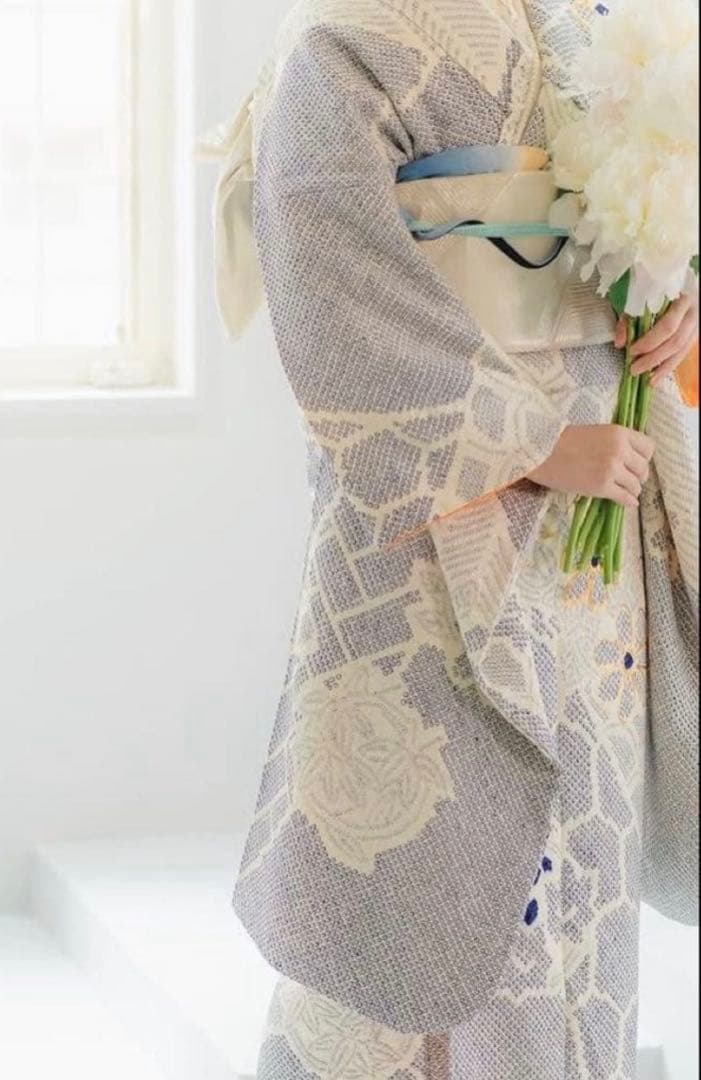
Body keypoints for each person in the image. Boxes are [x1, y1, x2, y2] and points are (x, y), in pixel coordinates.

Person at [207, 0, 699, 1076]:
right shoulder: (343, 37)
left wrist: (674, 296)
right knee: (431, 844)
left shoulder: (587, 20)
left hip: (595, 521)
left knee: (585, 852)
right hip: (441, 513)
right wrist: (532, 442)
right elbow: (332, 274)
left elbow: (644, 222)